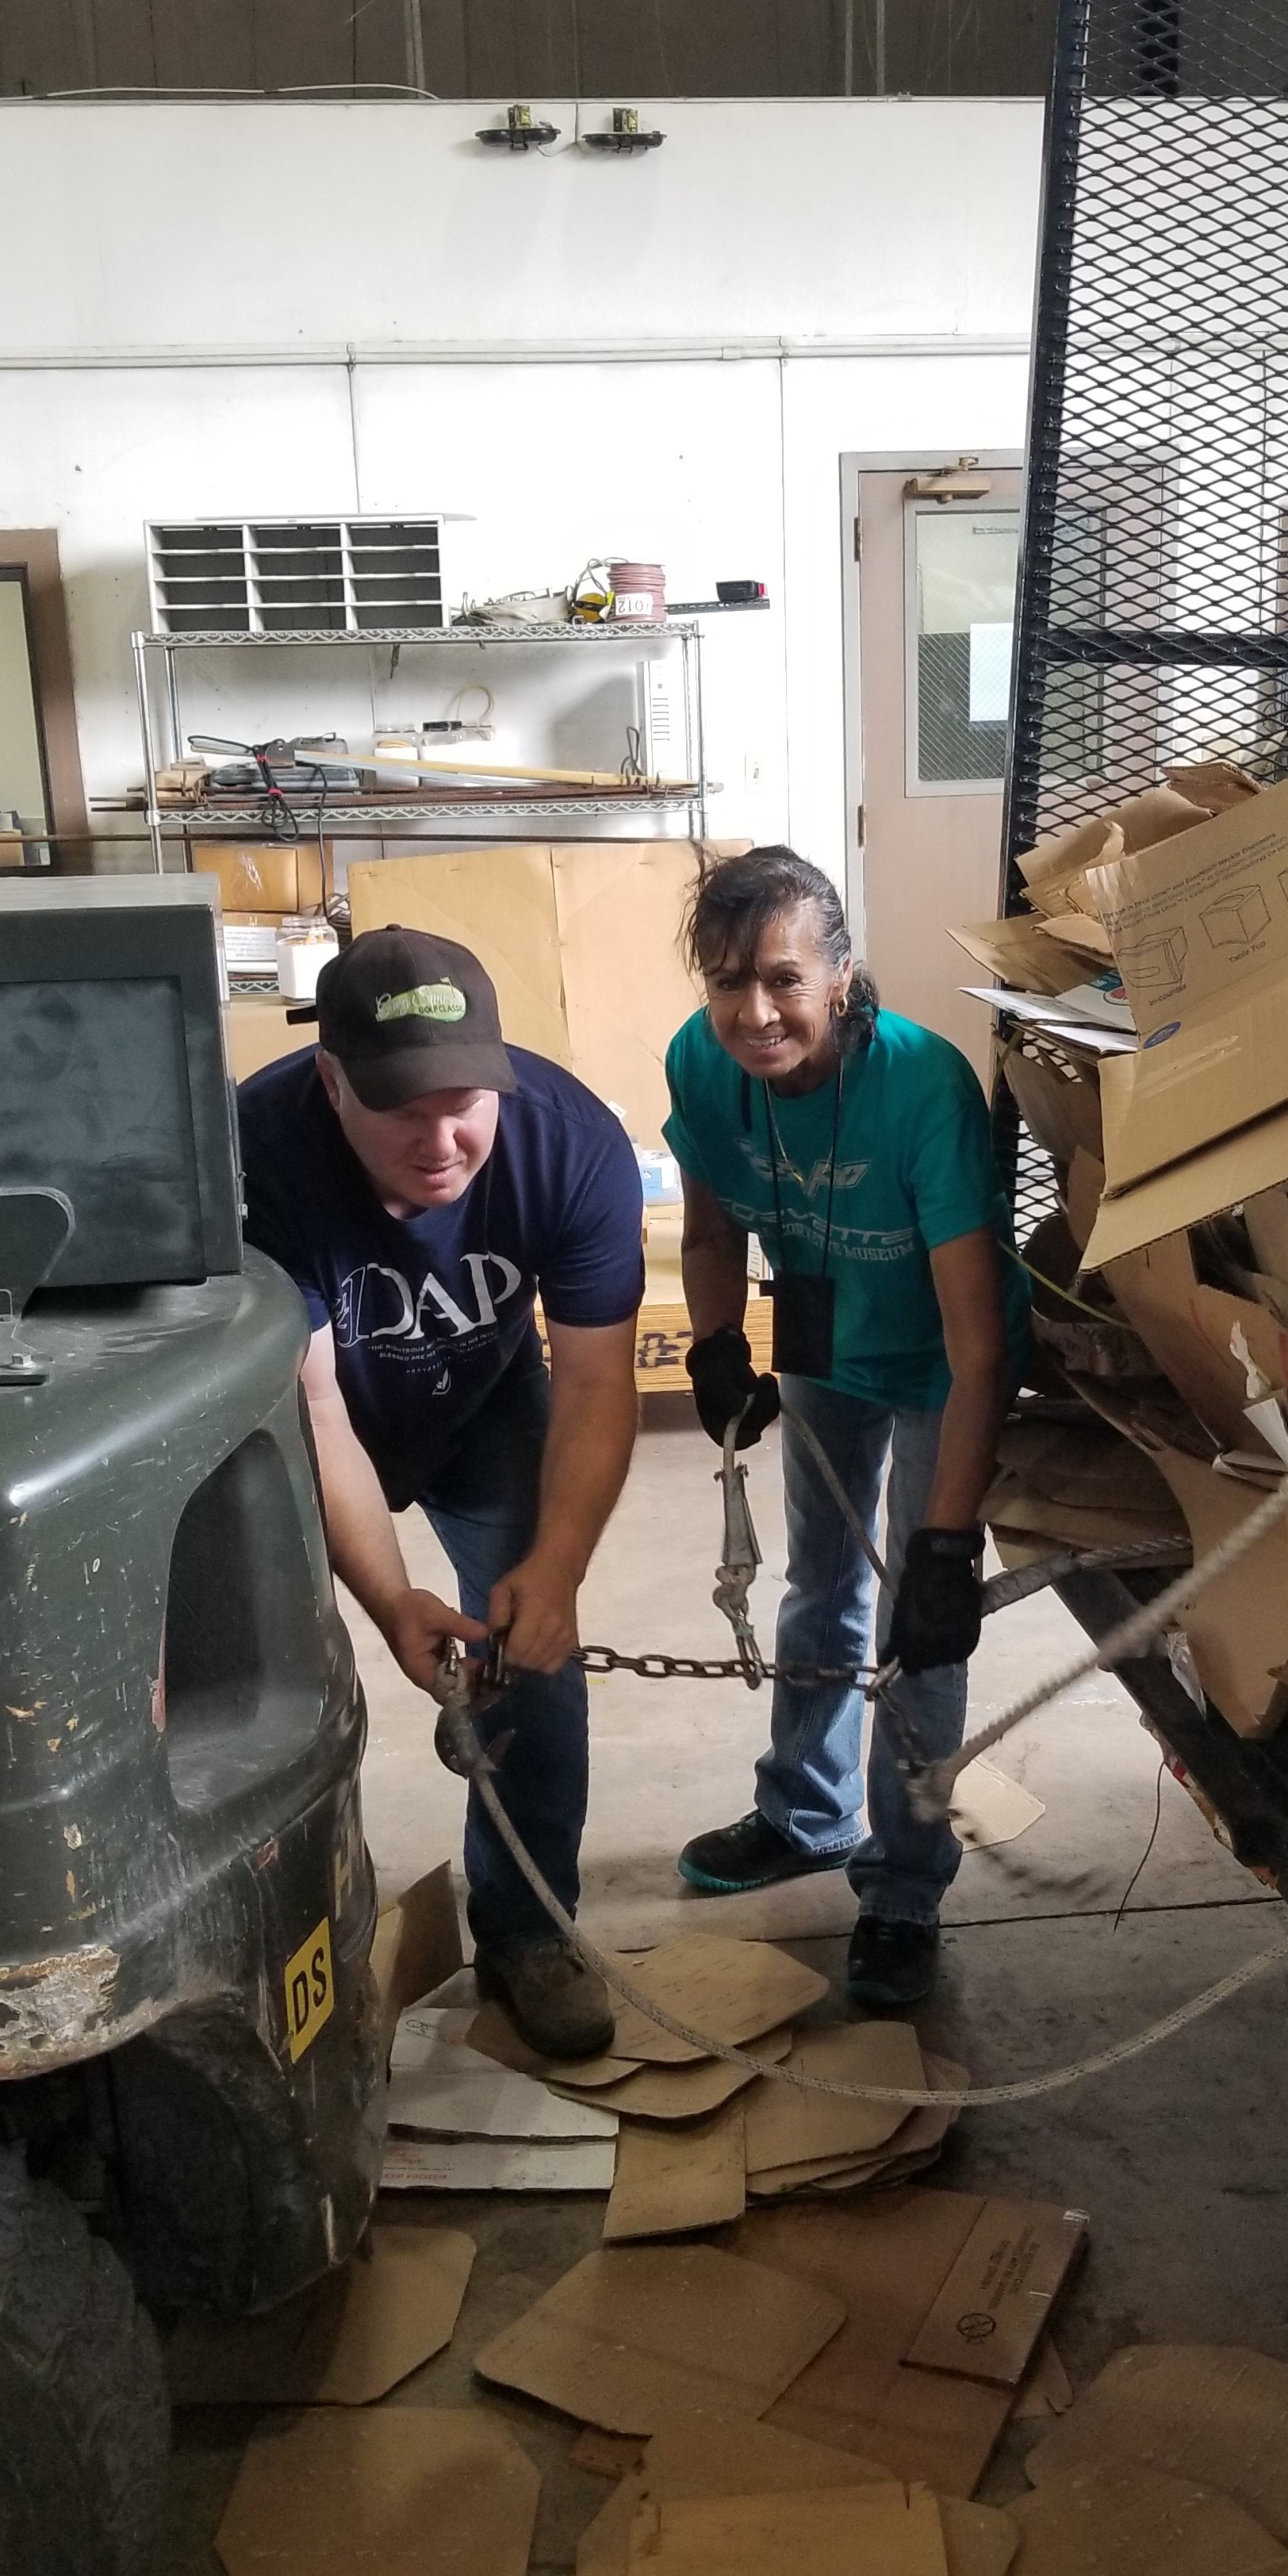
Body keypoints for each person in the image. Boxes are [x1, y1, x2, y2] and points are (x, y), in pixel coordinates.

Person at [236, 926, 642, 2060]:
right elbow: (315, 1412)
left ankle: (526, 1930)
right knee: (273, 1687)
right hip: (296, 1405)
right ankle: (286, 1955)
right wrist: (388, 1599)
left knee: (537, 1657)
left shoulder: (570, 1148)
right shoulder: (255, 1156)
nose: (442, 1139)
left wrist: (553, 1569)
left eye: (465, 1101)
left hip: (479, 1393)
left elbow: (600, 1378)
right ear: (331, 1080)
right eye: (402, 1110)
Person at [666, 847, 1025, 2012]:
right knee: (820, 1586)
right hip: (825, 1341)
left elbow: (981, 1347)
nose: (752, 1012)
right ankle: (805, 1812)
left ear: (841, 975)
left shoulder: (922, 1090)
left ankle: (904, 1887)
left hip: (934, 1362)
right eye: (726, 981)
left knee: (924, 1632)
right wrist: (720, 1341)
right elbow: (715, 1232)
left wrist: (948, 1545)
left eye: (781, 979)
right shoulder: (700, 1063)